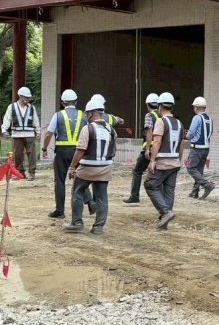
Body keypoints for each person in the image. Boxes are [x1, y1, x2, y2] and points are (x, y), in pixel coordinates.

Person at [63, 98, 116, 235]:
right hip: (105, 168)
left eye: (87, 114)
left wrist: (72, 167)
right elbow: (113, 150)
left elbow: (80, 150)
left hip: (87, 168)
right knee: (102, 197)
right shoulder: (111, 130)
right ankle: (98, 227)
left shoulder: (88, 128)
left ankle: (77, 223)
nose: (87, 116)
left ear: (91, 114)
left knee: (78, 192)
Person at [41, 90, 84, 219]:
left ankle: (60, 211)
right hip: (79, 152)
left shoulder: (58, 115)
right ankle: (90, 202)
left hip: (62, 151)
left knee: (60, 181)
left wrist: (44, 148)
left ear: (62, 103)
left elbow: (49, 133)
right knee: (80, 178)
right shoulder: (83, 116)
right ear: (76, 102)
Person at [144, 92, 183, 230]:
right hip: (174, 161)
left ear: (160, 106)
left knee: (150, 185)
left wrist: (152, 160)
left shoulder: (161, 121)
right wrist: (180, 160)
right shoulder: (179, 123)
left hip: (162, 162)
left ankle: (165, 212)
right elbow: (181, 144)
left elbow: (157, 141)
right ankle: (164, 219)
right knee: (168, 190)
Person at [123, 93, 160, 205]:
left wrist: (148, 149)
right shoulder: (162, 115)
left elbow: (149, 133)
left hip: (150, 148)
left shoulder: (149, 116)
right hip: (160, 148)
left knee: (137, 171)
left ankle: (134, 197)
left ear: (148, 105)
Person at [2, 86, 40, 180]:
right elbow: (7, 119)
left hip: (29, 134)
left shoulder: (32, 108)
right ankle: (20, 172)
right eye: (25, 98)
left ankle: (32, 173)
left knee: (31, 154)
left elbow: (35, 120)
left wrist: (38, 132)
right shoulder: (12, 107)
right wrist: (4, 130)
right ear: (20, 96)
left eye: (28, 98)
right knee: (18, 154)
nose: (27, 100)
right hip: (17, 134)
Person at [187, 96, 215, 199]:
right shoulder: (209, 119)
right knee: (199, 170)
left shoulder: (197, 118)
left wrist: (186, 136)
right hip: (206, 148)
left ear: (197, 107)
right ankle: (195, 192)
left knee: (191, 168)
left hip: (196, 148)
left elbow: (191, 133)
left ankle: (207, 185)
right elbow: (210, 133)